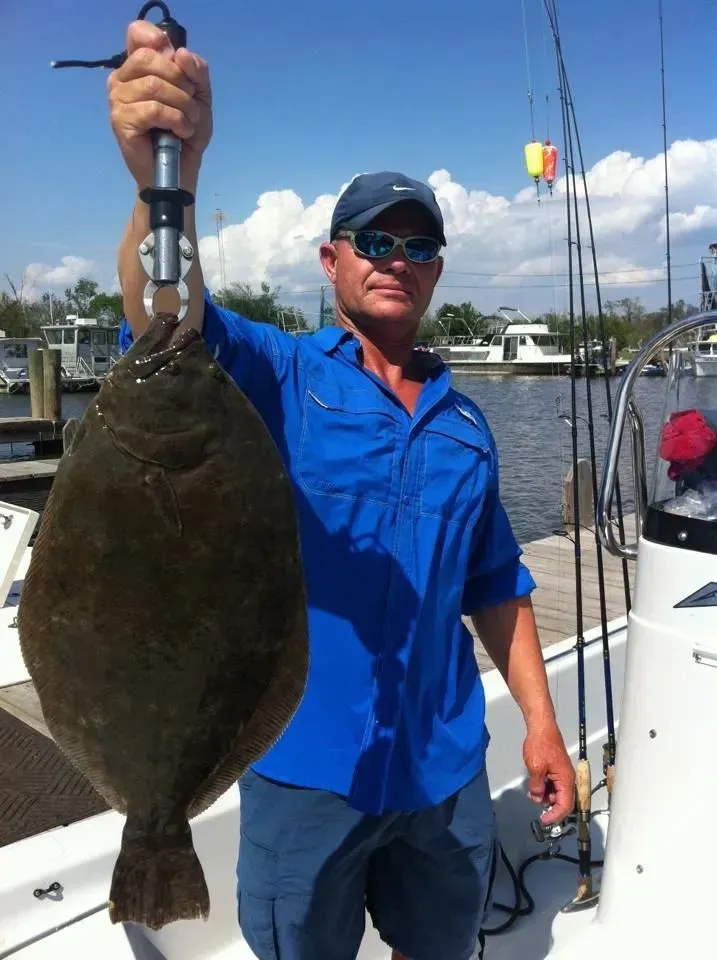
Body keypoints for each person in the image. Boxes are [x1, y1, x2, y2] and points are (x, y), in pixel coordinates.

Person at [109, 18, 575, 960]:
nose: (394, 257)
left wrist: (540, 726)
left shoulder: (466, 426)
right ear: (333, 262)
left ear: (436, 270)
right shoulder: (278, 374)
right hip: (299, 769)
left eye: (417, 243)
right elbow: (166, 313)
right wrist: (167, 178)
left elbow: (496, 586)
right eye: (372, 239)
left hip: (444, 769)